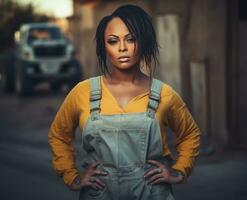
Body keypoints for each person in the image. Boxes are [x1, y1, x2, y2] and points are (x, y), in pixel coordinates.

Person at [48, 4, 200, 200]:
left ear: (143, 42)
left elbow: (190, 134)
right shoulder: (83, 92)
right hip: (99, 194)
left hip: (152, 193)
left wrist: (179, 171)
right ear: (104, 47)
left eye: (131, 39)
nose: (122, 48)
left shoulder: (164, 94)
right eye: (113, 41)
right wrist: (72, 176)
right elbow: (58, 135)